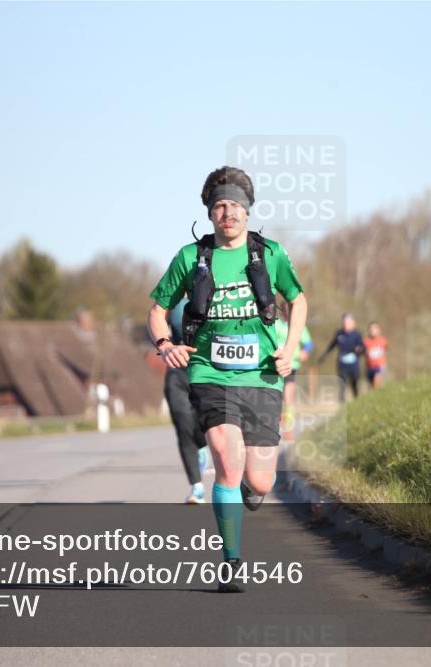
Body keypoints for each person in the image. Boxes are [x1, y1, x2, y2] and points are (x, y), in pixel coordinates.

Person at [146, 165, 307, 593]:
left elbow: (298, 299)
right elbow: (158, 311)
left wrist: (289, 349)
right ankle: (231, 561)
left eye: (235, 205)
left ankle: (250, 493)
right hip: (208, 370)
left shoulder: (270, 254)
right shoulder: (190, 257)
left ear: (248, 211)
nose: (227, 212)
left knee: (260, 481)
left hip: (262, 374)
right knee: (225, 459)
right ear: (210, 212)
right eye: (219, 205)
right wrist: (165, 344)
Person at [164, 298, 210, 504]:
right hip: (177, 372)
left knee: (204, 425)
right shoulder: (170, 301)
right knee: (183, 425)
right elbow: (155, 324)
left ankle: (201, 447)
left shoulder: (213, 296)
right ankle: (196, 487)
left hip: (205, 370)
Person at [273, 300, 313, 440]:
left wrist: (305, 352)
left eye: (289, 309)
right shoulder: (275, 323)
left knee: (288, 397)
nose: (287, 312)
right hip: (275, 365)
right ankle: (275, 426)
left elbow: (308, 343)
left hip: (291, 365)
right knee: (275, 397)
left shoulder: (297, 326)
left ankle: (288, 429)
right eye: (284, 309)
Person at [320, 313, 364, 403]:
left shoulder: (357, 335)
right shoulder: (339, 334)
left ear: (353, 323)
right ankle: (342, 403)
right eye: (344, 322)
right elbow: (332, 346)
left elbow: (363, 348)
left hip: (353, 363)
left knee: (354, 382)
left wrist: (359, 350)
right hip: (342, 363)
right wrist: (325, 356)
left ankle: (356, 400)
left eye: (348, 322)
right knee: (342, 382)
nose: (345, 324)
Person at [363, 321, 387, 389]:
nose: (373, 330)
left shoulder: (382, 340)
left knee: (377, 381)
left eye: (375, 328)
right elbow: (363, 351)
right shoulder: (365, 341)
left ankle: (379, 393)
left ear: (378, 330)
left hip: (379, 366)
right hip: (369, 366)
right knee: (371, 385)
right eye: (371, 329)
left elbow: (385, 348)